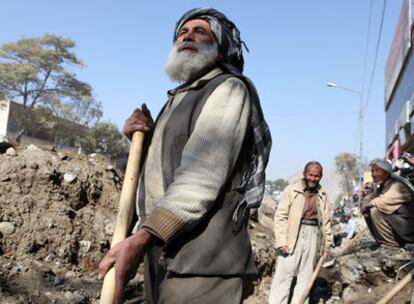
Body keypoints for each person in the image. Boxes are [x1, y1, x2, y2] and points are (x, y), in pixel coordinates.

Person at [98, 7, 272, 304]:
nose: (187, 35)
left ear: (220, 50)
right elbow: (161, 171)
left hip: (203, 264)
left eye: (200, 31)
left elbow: (199, 179)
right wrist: (142, 141)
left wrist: (141, 238)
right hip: (164, 254)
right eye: (182, 32)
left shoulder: (228, 89)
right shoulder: (178, 99)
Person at [268, 161, 333, 304]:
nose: (313, 178)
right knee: (284, 275)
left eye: (317, 176)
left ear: (320, 177)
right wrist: (281, 241)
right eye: (310, 175)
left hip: (313, 234)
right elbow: (280, 217)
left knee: (305, 276)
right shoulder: (291, 190)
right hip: (292, 235)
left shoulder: (322, 194)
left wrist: (326, 246)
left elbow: (326, 222)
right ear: (304, 174)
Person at [360, 158, 414, 249]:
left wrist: (368, 205)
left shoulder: (397, 185)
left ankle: (390, 245)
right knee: (368, 212)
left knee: (375, 210)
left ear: (386, 173)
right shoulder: (384, 185)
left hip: (409, 228)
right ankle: (381, 241)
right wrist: (364, 203)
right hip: (399, 227)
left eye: (377, 171)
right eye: (372, 171)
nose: (374, 174)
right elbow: (372, 196)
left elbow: (383, 200)